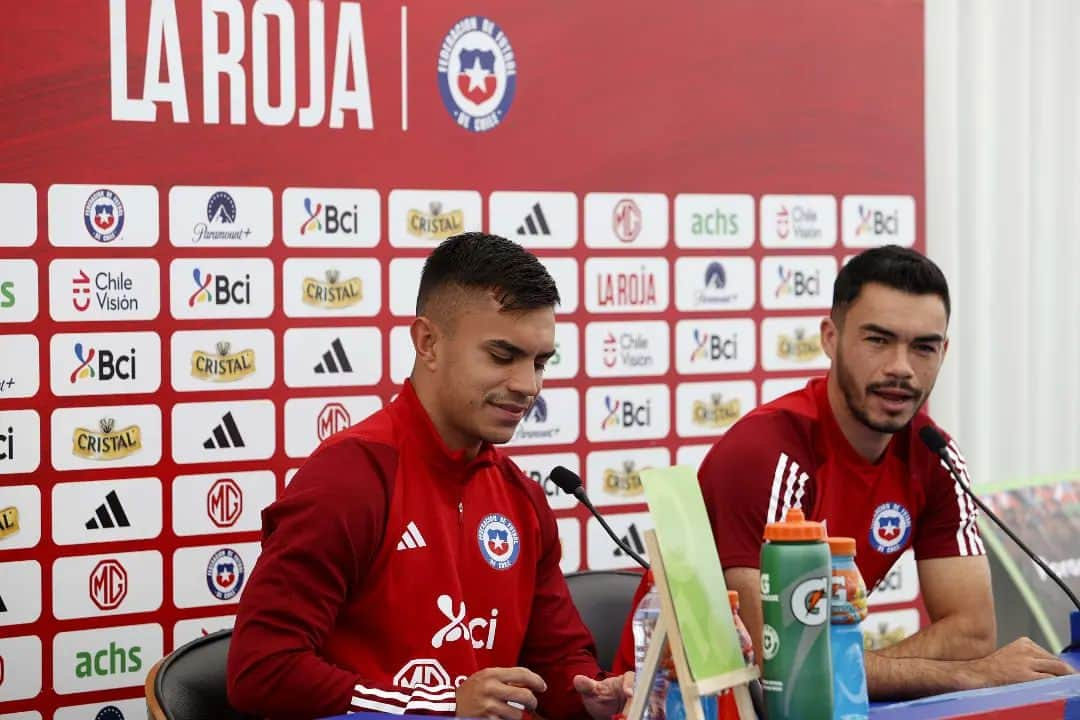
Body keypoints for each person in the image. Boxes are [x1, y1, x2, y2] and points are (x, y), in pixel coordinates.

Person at [613, 245, 1073, 697]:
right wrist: (962, 674)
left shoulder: (934, 456)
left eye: (923, 348)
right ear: (830, 338)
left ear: (944, 351)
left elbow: (971, 634)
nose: (901, 368)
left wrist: (859, 669)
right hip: (684, 705)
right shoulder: (767, 452)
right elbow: (777, 666)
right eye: (878, 340)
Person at [228, 233, 632, 719]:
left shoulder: (522, 497)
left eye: (540, 362)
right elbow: (262, 672)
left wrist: (597, 697)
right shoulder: (350, 479)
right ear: (428, 343)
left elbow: (557, 667)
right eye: (502, 356)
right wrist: (439, 709)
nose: (528, 386)